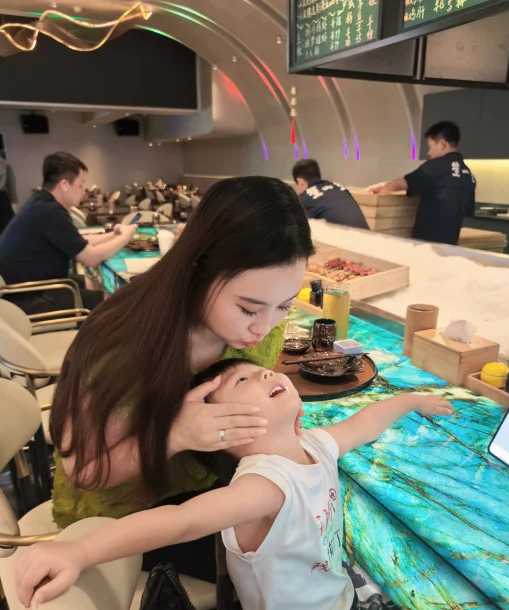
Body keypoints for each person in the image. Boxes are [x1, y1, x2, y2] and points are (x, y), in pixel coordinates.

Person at [16, 358, 467, 610]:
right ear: (222, 430)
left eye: (262, 370)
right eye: (244, 380)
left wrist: (411, 400)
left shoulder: (314, 445)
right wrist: (80, 551)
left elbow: (364, 424)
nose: (266, 374)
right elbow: (179, 521)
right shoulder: (261, 487)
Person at [47, 176, 314, 583]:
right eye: (248, 309)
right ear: (197, 270)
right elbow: (87, 470)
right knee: (284, 566)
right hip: (123, 519)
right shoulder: (123, 348)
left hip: (209, 492)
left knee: (307, 530)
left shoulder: (260, 328)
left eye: (284, 306)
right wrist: (174, 435)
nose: (263, 328)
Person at [0, 151, 136, 314]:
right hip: (27, 297)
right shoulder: (50, 212)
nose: (84, 191)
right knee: (113, 301)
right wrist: (126, 237)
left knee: (90, 281)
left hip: (29, 287)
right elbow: (91, 258)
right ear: (64, 184)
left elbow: (77, 241)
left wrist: (113, 235)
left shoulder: (41, 202)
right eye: (81, 185)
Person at [365, 121, 476, 245]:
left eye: (430, 147)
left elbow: (404, 183)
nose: (429, 153)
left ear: (442, 144)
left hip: (427, 244)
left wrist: (382, 186)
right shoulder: (468, 175)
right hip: (450, 244)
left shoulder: (435, 166)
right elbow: (466, 211)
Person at [292, 159, 369, 229]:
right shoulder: (339, 187)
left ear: (300, 182)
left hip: (345, 238)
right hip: (369, 236)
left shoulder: (305, 198)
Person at [0, 153, 17, 235]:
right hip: (2, 199)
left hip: (2, 200)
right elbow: (11, 184)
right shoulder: (4, 163)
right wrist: (13, 200)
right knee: (8, 230)